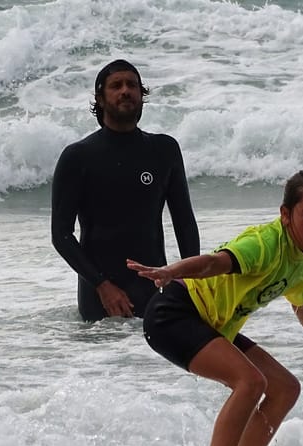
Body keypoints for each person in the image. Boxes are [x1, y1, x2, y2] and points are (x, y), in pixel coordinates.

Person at [127, 169, 303, 446]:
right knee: (249, 382)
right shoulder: (264, 244)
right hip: (174, 314)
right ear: (285, 214)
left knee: (284, 388)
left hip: (212, 323)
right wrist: (174, 270)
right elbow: (214, 263)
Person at [51, 59, 200, 321]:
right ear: (100, 98)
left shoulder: (164, 150)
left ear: (142, 95)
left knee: (154, 361)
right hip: (99, 299)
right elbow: (61, 234)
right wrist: (102, 286)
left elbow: (184, 222)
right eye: (116, 85)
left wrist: (190, 281)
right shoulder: (78, 156)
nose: (125, 91)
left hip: (154, 289)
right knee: (102, 361)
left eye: (132, 85)